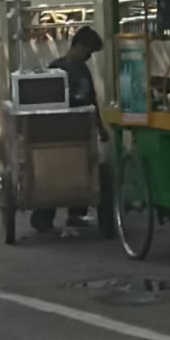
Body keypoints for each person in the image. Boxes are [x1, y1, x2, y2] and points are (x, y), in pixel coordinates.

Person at [31, 27, 106, 234]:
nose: (89, 57)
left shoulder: (84, 71)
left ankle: (76, 214)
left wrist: (100, 128)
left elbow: (92, 101)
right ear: (80, 46)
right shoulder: (56, 68)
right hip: (57, 131)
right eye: (89, 51)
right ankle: (44, 214)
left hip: (81, 130)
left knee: (81, 172)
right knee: (54, 174)